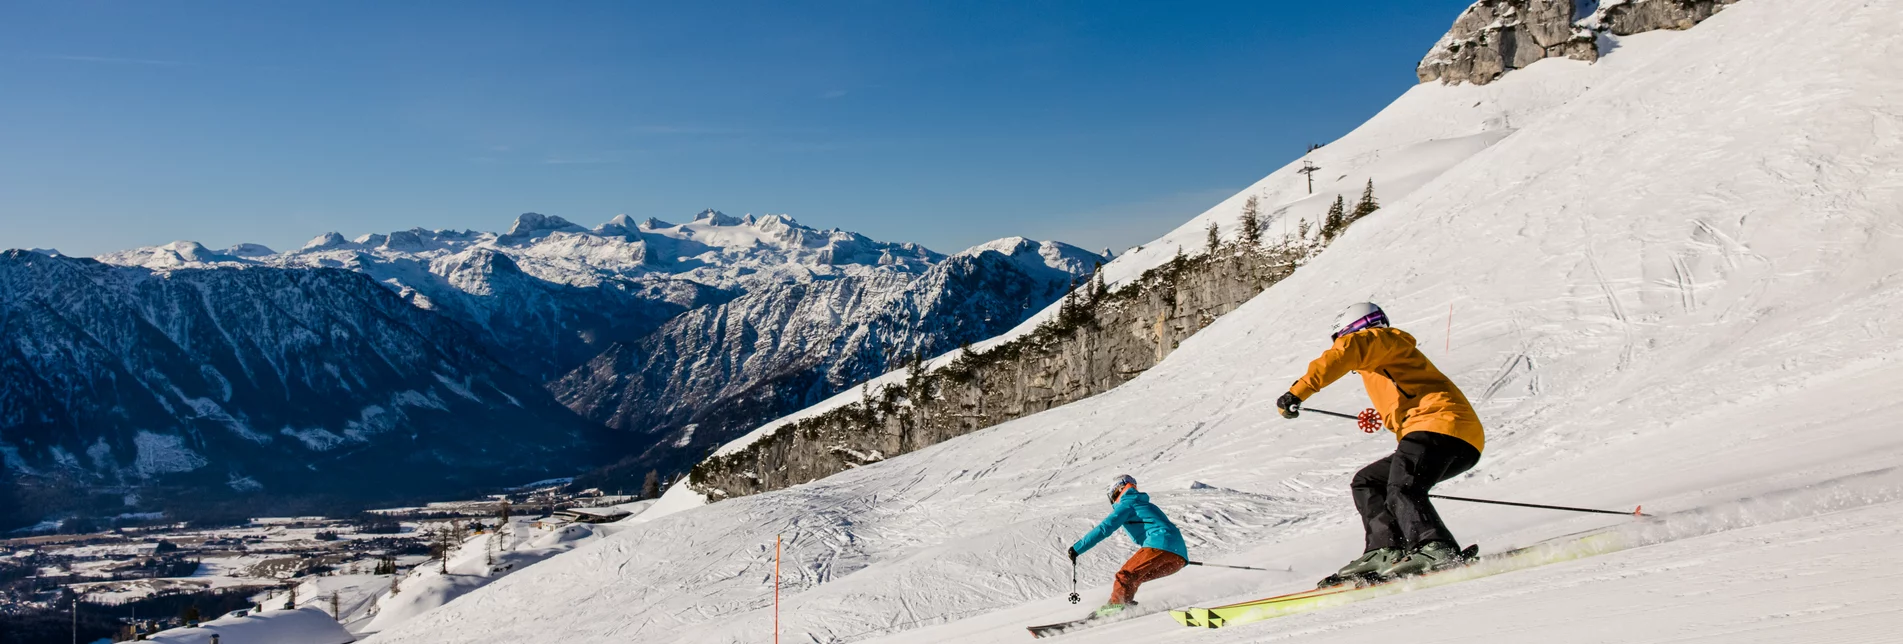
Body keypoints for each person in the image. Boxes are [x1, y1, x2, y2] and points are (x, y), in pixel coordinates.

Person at [1275, 302, 1485, 583]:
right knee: (1368, 481)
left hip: (1439, 425)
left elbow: (1346, 352)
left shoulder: (1375, 340)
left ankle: (1436, 548)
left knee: (1402, 486)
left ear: (1352, 330)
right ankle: (1384, 549)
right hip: (1449, 435)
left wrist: (1297, 392)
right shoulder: (1387, 356)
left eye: (1341, 338)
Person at [1067, 474, 1188, 618]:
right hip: (1178, 557)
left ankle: (1114, 607)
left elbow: (1104, 528)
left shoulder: (1127, 503)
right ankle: (1125, 605)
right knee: (1134, 578)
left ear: (1117, 491)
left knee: (1125, 575)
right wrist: (1173, 553)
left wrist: (1077, 549)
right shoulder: (1144, 504)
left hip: (1160, 545)